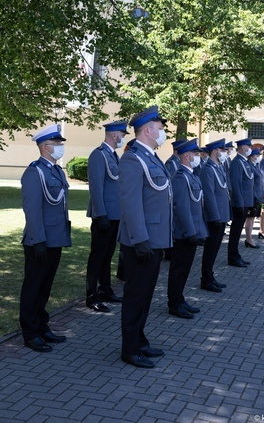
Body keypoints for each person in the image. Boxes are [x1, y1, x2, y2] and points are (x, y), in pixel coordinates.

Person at [118, 105, 173, 368]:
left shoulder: (150, 156)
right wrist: (140, 239)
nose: (163, 133)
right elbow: (130, 203)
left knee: (146, 294)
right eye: (161, 129)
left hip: (155, 238)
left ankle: (139, 339)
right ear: (148, 130)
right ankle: (129, 349)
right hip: (141, 240)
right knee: (135, 295)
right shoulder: (133, 158)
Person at [19, 125, 71, 352]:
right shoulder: (34, 172)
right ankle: (30, 333)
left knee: (45, 286)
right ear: (45, 146)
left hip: (55, 238)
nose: (61, 147)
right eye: (57, 144)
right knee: (33, 286)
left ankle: (42, 325)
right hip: (39, 241)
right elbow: (32, 209)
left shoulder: (57, 171)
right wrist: (38, 239)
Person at [85, 121, 129, 313]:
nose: (123, 137)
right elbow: (96, 187)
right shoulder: (98, 155)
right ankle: (92, 296)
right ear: (113, 135)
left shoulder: (113, 156)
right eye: (122, 133)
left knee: (107, 255)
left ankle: (105, 289)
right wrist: (100, 214)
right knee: (97, 257)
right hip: (104, 216)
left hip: (114, 215)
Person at [167, 139, 208, 319]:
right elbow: (182, 209)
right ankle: (174, 303)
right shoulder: (180, 177)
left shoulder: (191, 175)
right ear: (186, 155)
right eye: (196, 154)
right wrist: (191, 232)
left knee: (185, 269)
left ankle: (180, 298)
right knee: (178, 269)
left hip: (192, 231)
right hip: (184, 233)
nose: (199, 157)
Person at [200, 139, 230, 292]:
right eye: (222, 150)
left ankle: (210, 275)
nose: (224, 153)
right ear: (215, 151)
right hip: (215, 216)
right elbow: (209, 195)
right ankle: (206, 279)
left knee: (216, 248)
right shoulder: (208, 169)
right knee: (210, 248)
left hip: (222, 213)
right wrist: (215, 216)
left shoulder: (218, 168)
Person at [227, 138, 254, 267]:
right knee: (235, 231)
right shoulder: (237, 162)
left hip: (245, 202)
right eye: (249, 146)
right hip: (240, 203)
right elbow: (236, 185)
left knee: (238, 231)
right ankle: (232, 256)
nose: (251, 148)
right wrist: (239, 203)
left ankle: (236, 254)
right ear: (243, 148)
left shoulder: (244, 162)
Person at [244, 148, 264, 248]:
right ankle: (248, 238)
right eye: (256, 155)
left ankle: (249, 238)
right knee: (249, 218)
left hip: (256, 195)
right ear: (251, 156)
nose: (258, 157)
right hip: (252, 196)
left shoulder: (254, 165)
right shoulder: (249, 166)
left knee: (252, 218)